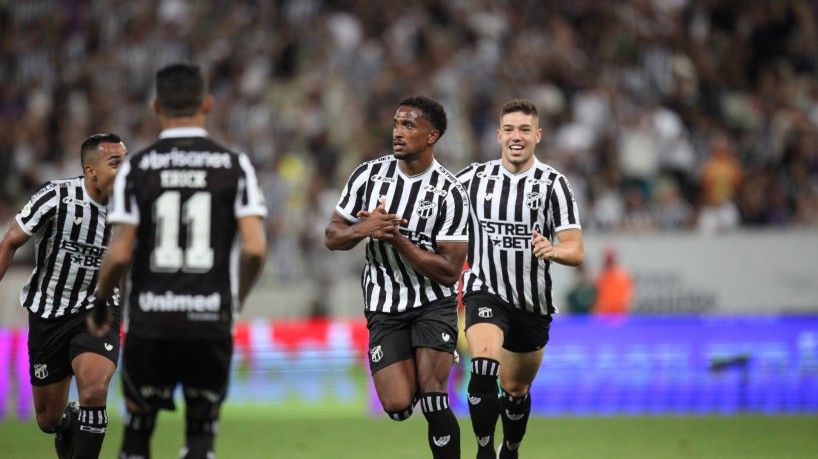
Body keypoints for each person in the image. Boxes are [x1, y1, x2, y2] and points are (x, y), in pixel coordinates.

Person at [87, 62, 268, 459]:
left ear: (156, 106)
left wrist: (101, 301)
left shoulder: (137, 167)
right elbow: (255, 248)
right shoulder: (234, 165)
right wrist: (236, 299)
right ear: (207, 104)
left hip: (150, 324)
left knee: (136, 435)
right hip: (209, 323)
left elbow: (119, 254)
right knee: (201, 437)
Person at [324, 95, 469, 459]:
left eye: (409, 126)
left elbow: (450, 271)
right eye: (396, 124)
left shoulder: (450, 193)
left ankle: (431, 366)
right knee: (398, 405)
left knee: (435, 401)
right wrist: (364, 228)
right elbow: (332, 236)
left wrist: (397, 239)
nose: (398, 132)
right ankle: (423, 368)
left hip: (433, 303)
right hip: (384, 306)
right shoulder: (368, 174)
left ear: (432, 135)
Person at [457, 99, 584, 459]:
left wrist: (553, 250)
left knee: (514, 388)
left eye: (525, 129)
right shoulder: (472, 180)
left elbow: (576, 249)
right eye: (510, 129)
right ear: (498, 135)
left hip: (532, 305)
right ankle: (484, 451)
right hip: (485, 291)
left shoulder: (554, 184)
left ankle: (509, 449)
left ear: (537, 136)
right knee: (482, 366)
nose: (517, 136)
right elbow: (438, 213)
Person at [0, 133, 127, 458]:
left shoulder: (132, 209)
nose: (124, 169)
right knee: (47, 418)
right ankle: (68, 422)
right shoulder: (56, 196)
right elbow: (10, 241)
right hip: (48, 314)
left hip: (97, 311)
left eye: (126, 161)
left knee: (95, 388)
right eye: (115, 162)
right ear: (90, 170)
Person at [592, 248, 634, 315]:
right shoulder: (601, 276)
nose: (608, 263)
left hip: (617, 311)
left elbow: (628, 295)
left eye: (609, 261)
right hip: (605, 312)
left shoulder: (622, 275)